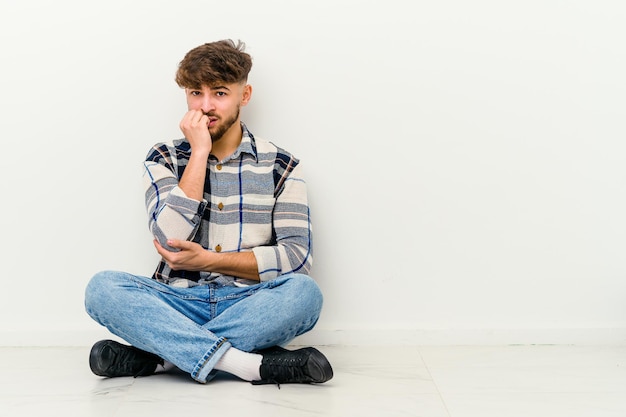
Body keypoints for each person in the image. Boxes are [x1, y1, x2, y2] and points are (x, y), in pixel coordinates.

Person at [84, 39, 333, 386]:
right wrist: (199, 152)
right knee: (102, 289)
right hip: (177, 299)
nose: (205, 106)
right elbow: (169, 241)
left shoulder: (282, 165)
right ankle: (248, 365)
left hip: (248, 301)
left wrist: (210, 262)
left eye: (219, 93)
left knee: (304, 294)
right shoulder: (164, 157)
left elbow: (296, 259)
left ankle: (162, 359)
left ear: (244, 96)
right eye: (195, 93)